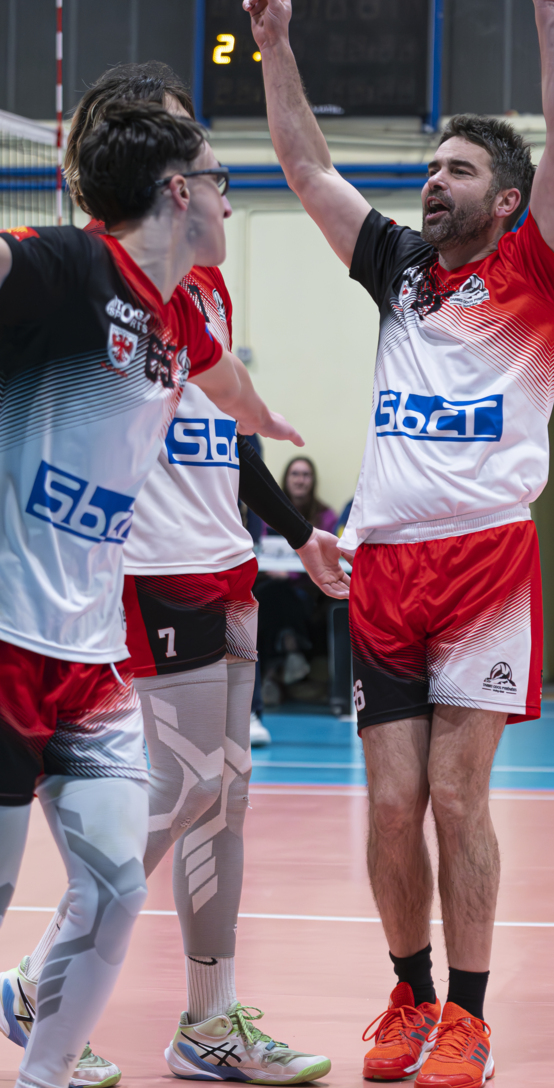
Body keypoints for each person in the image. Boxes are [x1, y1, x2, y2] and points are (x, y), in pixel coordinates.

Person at [244, 0, 554, 1086]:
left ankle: (470, 1019)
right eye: (430, 168)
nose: (433, 182)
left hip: (484, 562)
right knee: (390, 806)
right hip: (384, 566)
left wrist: (549, 15)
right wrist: (276, 47)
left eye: (457, 171)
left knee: (453, 796)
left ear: (506, 199)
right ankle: (407, 995)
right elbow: (306, 170)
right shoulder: (396, 269)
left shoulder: (534, 268)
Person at [0, 66, 341, 1086]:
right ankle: (41, 994)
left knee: (145, 860)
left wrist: (276, 461)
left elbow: (226, 397)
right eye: (214, 171)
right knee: (171, 796)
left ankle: (96, 1053)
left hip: (114, 638)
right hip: (47, 621)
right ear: (174, 187)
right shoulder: (69, 269)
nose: (228, 192)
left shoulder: (184, 309)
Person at [256, 457, 339, 699]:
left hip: (309, 592)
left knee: (273, 595)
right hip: (273, 584)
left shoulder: (326, 517)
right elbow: (260, 548)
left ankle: (272, 674)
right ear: (286, 479)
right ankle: (291, 650)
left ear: (312, 481)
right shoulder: (268, 512)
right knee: (271, 592)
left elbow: (328, 557)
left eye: (305, 474)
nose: (300, 480)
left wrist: (290, 573)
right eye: (295, 474)